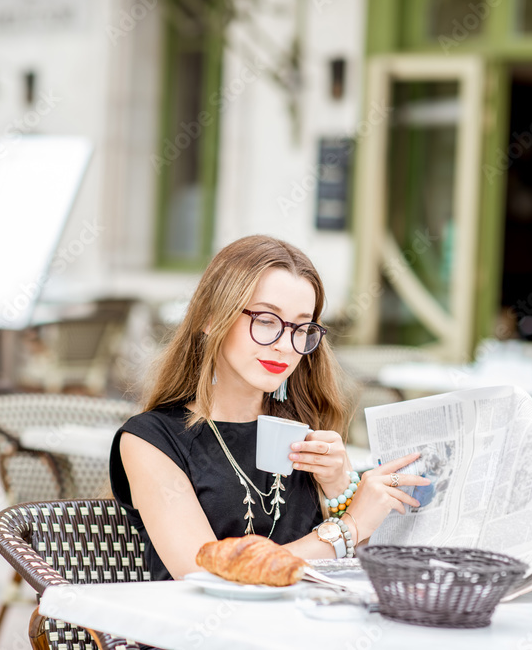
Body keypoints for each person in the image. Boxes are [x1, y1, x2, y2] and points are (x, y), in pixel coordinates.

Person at [110, 235, 430, 581]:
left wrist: (340, 487)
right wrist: (347, 528)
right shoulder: (150, 440)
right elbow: (201, 575)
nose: (285, 346)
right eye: (266, 320)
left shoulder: (302, 429)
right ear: (211, 318)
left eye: (300, 327)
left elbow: (356, 570)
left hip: (301, 627)